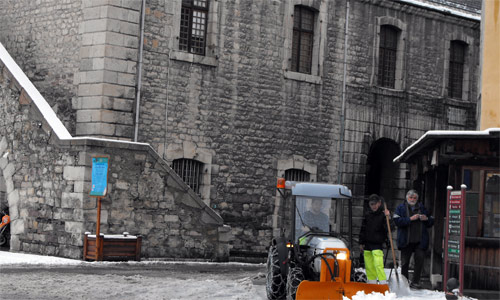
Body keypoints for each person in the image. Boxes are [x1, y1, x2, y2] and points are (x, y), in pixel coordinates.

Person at [393, 189, 434, 289]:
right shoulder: (401, 208)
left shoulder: (422, 208)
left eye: (415, 198)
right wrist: (410, 219)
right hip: (406, 240)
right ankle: (405, 282)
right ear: (407, 198)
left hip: (420, 241)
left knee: (419, 261)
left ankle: (415, 282)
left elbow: (431, 221)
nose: (413, 199)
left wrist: (427, 219)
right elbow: (396, 221)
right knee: (405, 263)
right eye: (411, 197)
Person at [359, 194, 390, 284]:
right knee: (369, 266)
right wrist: (361, 243)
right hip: (367, 243)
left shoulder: (383, 215)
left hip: (377, 243)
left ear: (379, 203)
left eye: (375, 204)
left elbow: (390, 228)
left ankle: (382, 283)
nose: (373, 206)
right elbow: (363, 229)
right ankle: (371, 283)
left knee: (378, 264)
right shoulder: (367, 215)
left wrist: (388, 217)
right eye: (371, 204)